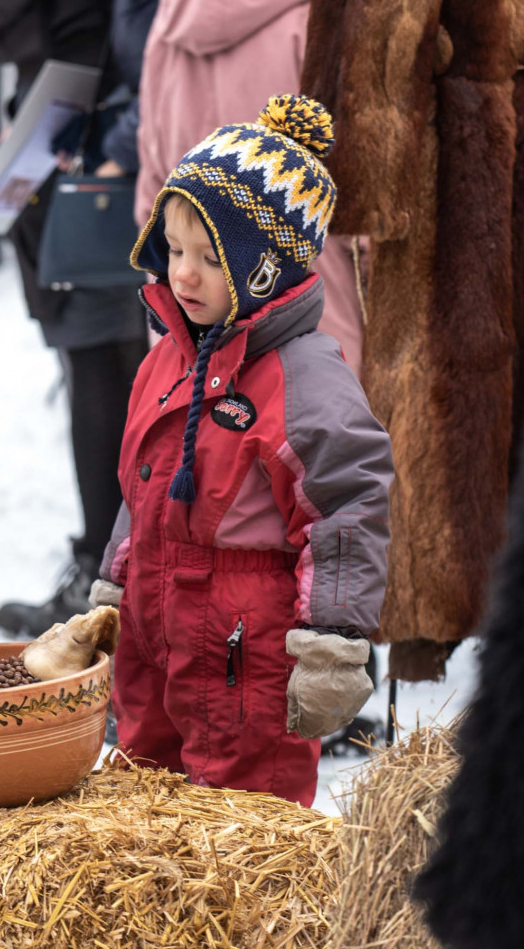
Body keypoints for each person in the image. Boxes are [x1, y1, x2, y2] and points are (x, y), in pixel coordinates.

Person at [98, 96, 393, 805]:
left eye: (210, 256)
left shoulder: (303, 377)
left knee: (243, 824)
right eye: (172, 251)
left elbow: (347, 502)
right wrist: (114, 587)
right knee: (144, 804)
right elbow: (141, 490)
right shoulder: (167, 360)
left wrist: (331, 639)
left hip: (246, 656)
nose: (183, 275)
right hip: (155, 636)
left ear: (265, 267)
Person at [0, 0, 152, 638]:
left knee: (107, 358)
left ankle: (112, 592)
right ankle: (109, 583)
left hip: (102, 145)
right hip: (86, 134)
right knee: (104, 360)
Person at [137, 0, 366, 375]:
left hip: (190, 305)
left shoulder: (170, 19)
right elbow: (358, 183)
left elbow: (152, 183)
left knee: (200, 427)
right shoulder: (322, 21)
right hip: (308, 306)